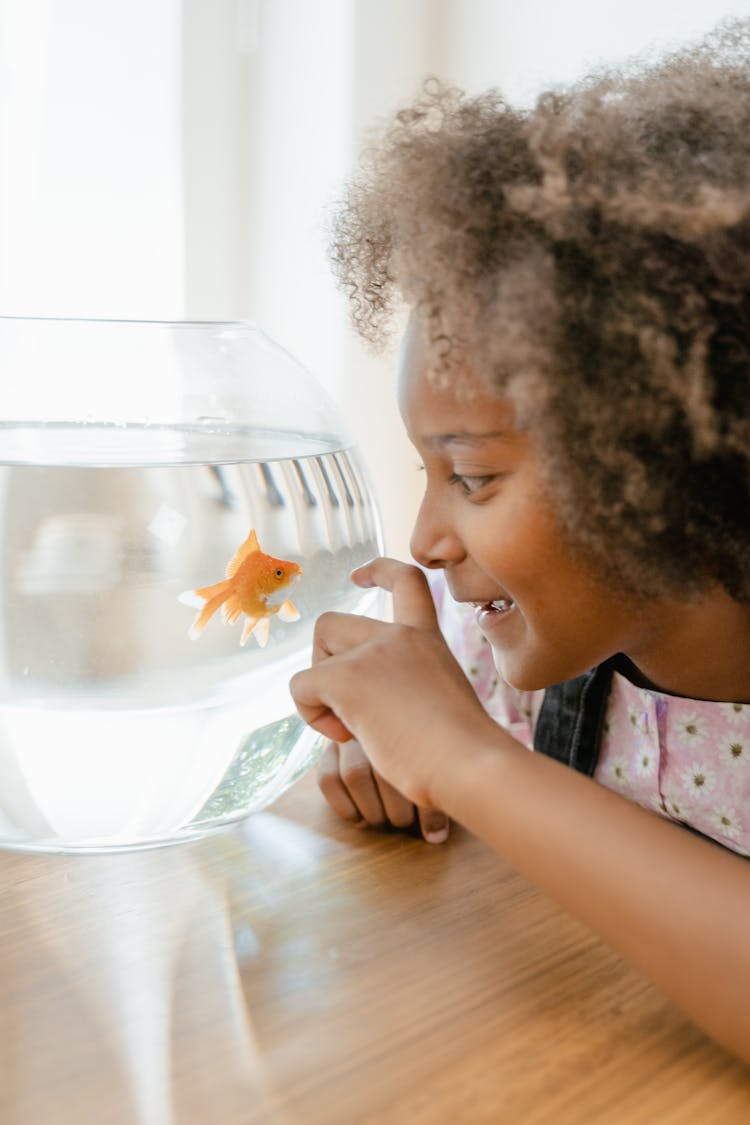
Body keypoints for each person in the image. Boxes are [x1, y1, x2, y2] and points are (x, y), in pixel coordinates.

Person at [289, 19, 750, 1061]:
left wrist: (466, 760)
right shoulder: (529, 678)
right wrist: (407, 761)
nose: (426, 538)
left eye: (476, 476)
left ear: (660, 464)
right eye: (426, 472)